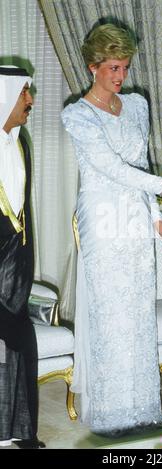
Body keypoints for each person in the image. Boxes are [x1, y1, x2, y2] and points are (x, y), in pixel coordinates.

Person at [61, 23, 162, 435]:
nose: (120, 76)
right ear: (92, 67)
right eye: (113, 67)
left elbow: (139, 168)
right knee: (110, 314)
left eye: (125, 67)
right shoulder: (76, 115)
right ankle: (112, 415)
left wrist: (158, 218)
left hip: (135, 215)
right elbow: (111, 168)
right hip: (102, 217)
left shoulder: (136, 105)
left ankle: (145, 409)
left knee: (137, 312)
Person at [0, 66, 45, 448]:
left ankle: (19, 433)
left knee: (19, 346)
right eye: (23, 94)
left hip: (16, 268)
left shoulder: (21, 142)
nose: (30, 101)